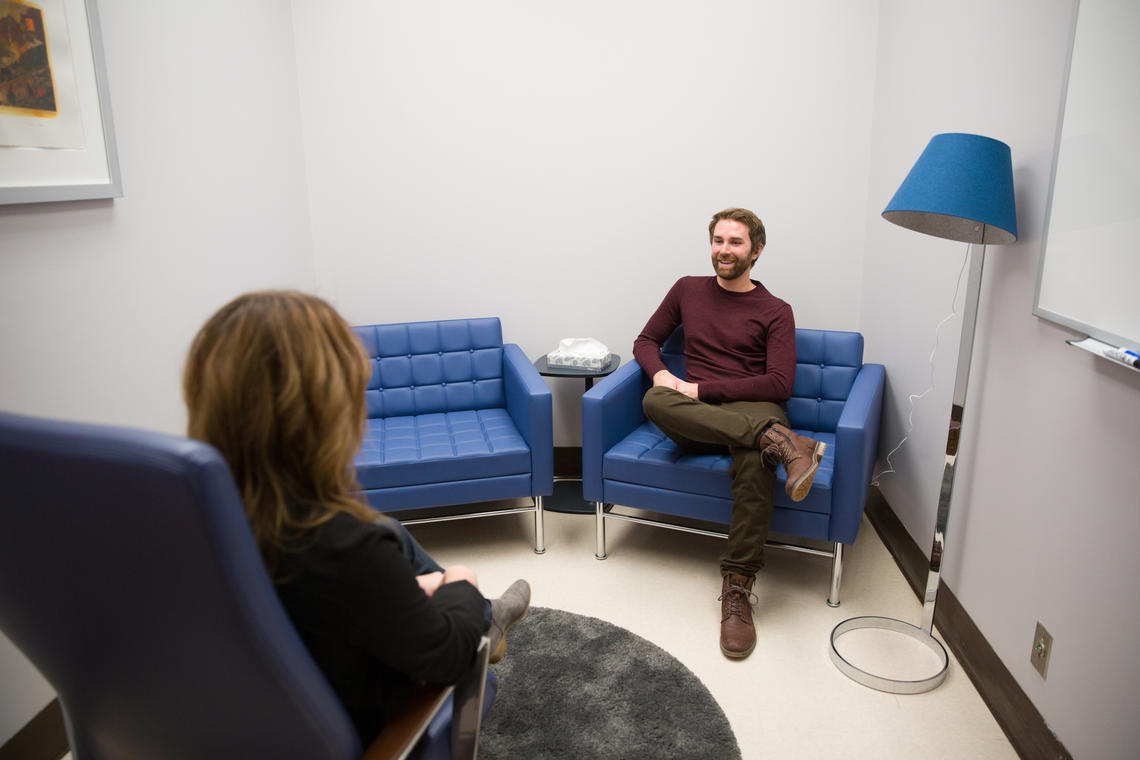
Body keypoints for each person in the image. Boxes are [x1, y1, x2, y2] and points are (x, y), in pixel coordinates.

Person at [182, 289, 530, 744]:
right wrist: (459, 581)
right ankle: (488, 617)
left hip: (236, 731)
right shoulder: (343, 546)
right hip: (358, 730)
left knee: (388, 531)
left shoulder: (191, 525)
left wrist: (400, 587)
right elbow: (445, 654)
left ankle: (484, 613)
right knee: (458, 618)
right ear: (326, 410)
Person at [632, 208, 825, 660]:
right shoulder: (686, 289)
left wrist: (700, 388)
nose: (724, 250)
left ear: (756, 251)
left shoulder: (776, 311)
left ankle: (737, 588)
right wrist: (661, 374)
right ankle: (779, 439)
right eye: (719, 241)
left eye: (735, 243)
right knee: (655, 399)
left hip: (753, 406)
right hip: (702, 417)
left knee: (758, 464)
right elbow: (645, 341)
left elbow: (779, 384)